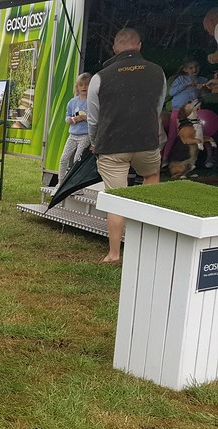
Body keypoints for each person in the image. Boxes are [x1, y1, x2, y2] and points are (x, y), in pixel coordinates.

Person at [87, 27, 166, 263]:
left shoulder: (99, 77)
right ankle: (148, 246)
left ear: (115, 48)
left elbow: (93, 118)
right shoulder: (158, 72)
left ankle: (114, 254)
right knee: (151, 177)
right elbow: (157, 108)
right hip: (146, 142)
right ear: (139, 46)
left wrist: (94, 142)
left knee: (117, 197)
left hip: (112, 145)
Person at [163, 56, 214, 167]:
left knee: (203, 132)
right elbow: (172, 92)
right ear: (185, 69)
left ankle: (209, 158)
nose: (194, 70)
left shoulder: (202, 80)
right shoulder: (181, 79)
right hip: (179, 111)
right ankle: (165, 158)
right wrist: (186, 85)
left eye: (196, 67)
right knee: (173, 134)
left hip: (195, 112)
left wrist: (204, 88)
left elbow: (207, 95)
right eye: (191, 68)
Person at [58, 73, 91, 179]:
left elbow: (96, 118)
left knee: (77, 160)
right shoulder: (72, 102)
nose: (84, 87)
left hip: (85, 135)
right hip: (72, 134)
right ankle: (60, 182)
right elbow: (67, 116)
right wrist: (70, 120)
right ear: (77, 86)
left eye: (87, 85)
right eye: (81, 85)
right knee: (64, 158)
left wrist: (84, 117)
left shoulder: (92, 101)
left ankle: (75, 184)